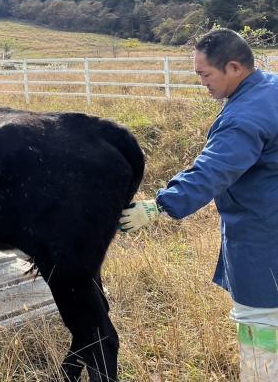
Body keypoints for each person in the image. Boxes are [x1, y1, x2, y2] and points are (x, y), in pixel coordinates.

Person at [119, 28, 278, 380]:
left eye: (205, 74)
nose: (201, 83)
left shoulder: (244, 118)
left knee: (261, 329)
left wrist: (158, 206)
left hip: (264, 239)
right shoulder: (271, 87)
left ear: (234, 67)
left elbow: (212, 171)